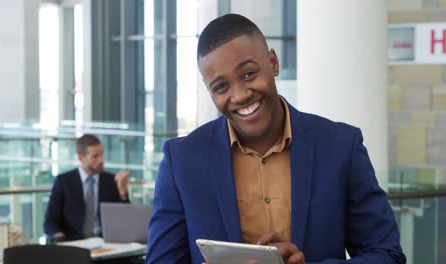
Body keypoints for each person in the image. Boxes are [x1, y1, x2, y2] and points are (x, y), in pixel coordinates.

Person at [146, 14, 405, 264]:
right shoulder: (181, 161)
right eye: (221, 87)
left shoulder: (340, 146)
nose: (240, 95)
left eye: (248, 74)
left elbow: (387, 255)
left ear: (273, 63)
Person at [44, 134, 130, 241]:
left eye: (102, 155)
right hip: (74, 243)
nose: (101, 160)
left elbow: (124, 219)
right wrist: (57, 236)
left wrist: (122, 191)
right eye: (95, 156)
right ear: (81, 158)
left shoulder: (111, 181)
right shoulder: (64, 181)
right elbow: (50, 221)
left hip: (106, 243)